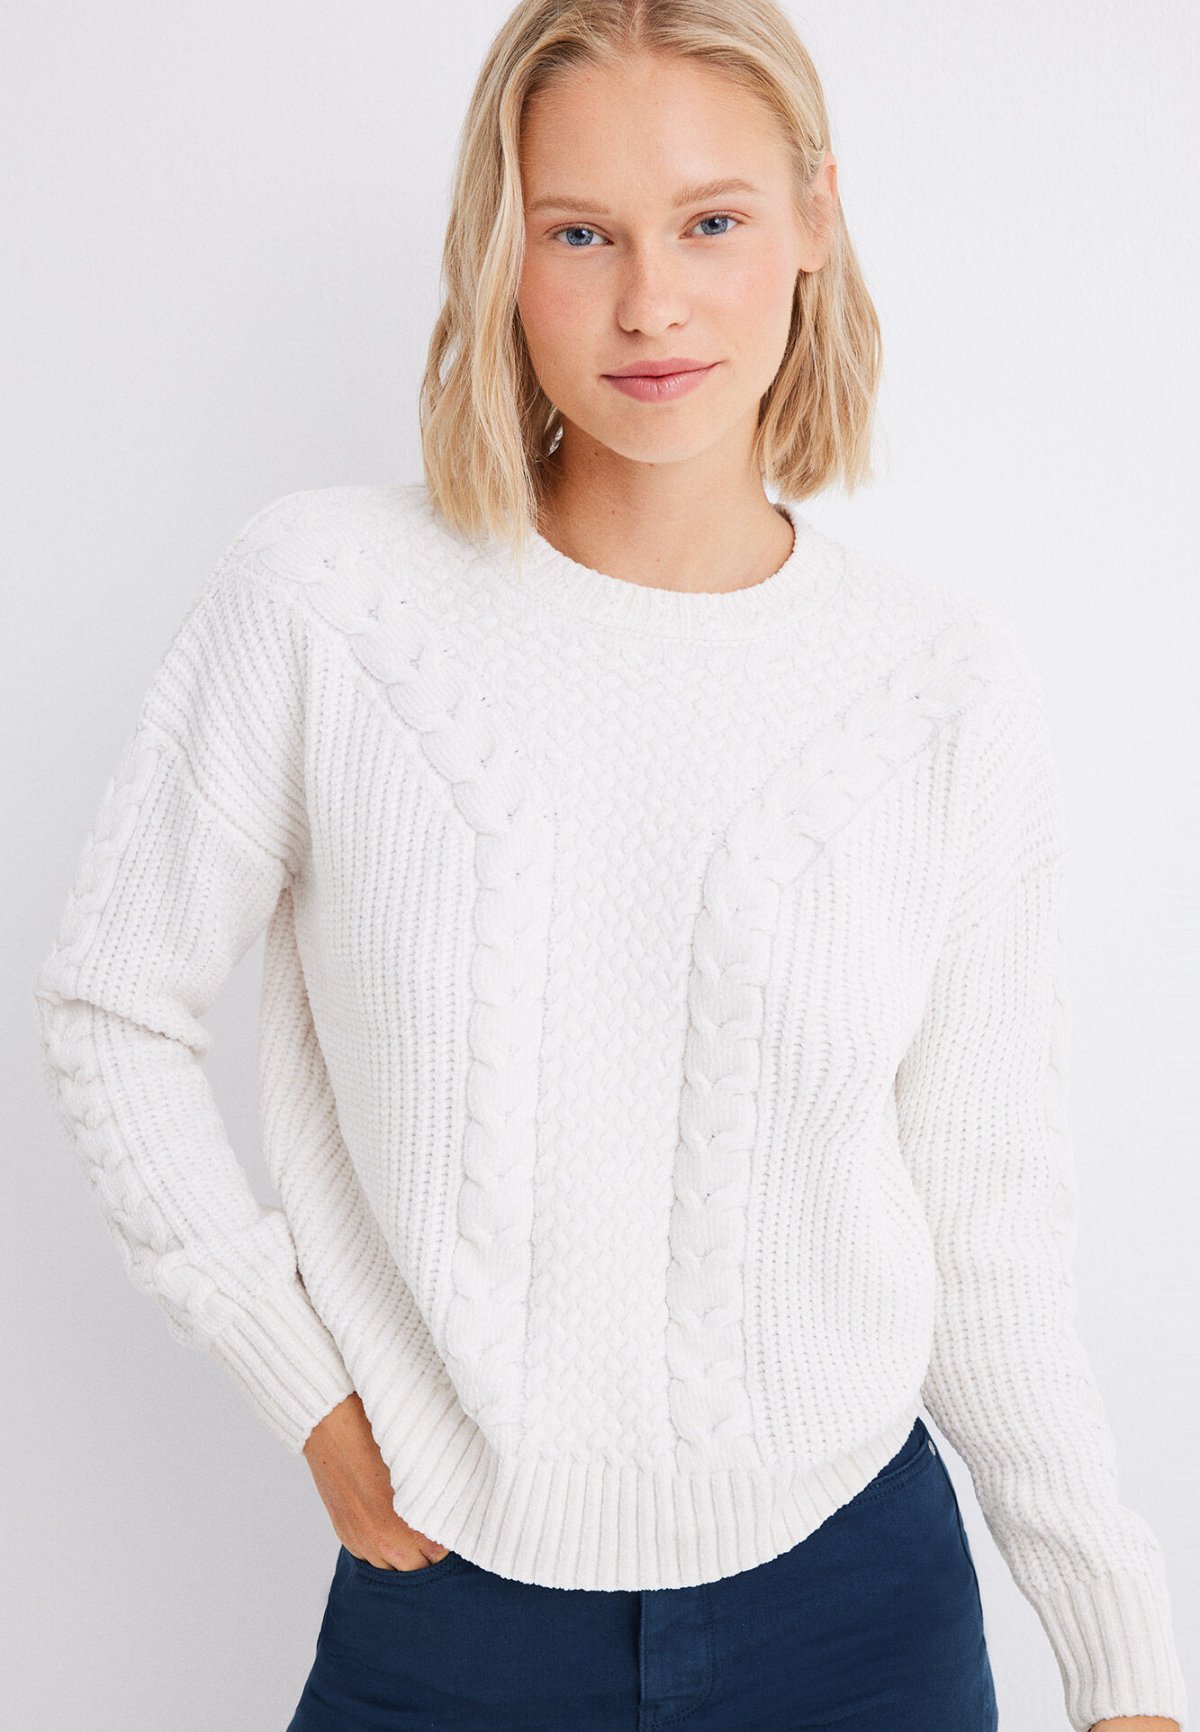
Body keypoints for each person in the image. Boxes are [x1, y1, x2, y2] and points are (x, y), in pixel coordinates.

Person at [32, 3, 1187, 1730]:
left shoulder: (943, 687)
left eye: (712, 221)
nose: (652, 303)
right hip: (449, 1607)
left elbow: (989, 1223)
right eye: (581, 234)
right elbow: (111, 1006)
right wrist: (310, 1398)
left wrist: (1124, 1667)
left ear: (814, 219)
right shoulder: (326, 603)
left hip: (856, 1611)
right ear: (500, 252)